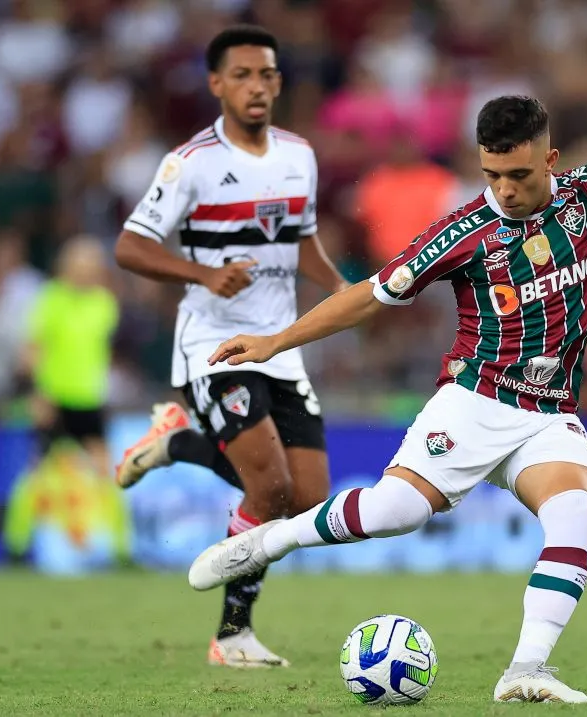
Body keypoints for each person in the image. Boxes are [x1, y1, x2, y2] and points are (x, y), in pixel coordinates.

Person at [188, 12, 587, 703]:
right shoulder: (464, 232)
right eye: (492, 174)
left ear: (549, 161)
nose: (504, 189)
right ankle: (273, 541)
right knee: (393, 512)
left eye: (518, 175)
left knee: (577, 514)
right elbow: (369, 297)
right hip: (473, 403)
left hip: (547, 414)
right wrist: (273, 342)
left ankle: (525, 670)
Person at [112, 25, 349, 667]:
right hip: (214, 346)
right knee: (267, 488)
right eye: (241, 75)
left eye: (266, 75)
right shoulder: (190, 163)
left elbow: (302, 239)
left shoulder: (299, 154)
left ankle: (175, 443)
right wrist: (204, 274)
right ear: (216, 84)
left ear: (278, 82)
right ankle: (233, 635)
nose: (256, 86)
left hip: (279, 346)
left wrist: (348, 291)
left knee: (307, 503)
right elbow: (130, 245)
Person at [26, 236, 119, 475]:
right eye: (80, 266)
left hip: (89, 398)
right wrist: (38, 391)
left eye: (91, 267)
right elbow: (33, 347)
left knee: (101, 468)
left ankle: (101, 512)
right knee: (45, 469)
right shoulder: (50, 298)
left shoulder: (104, 303)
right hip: (53, 396)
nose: (85, 273)